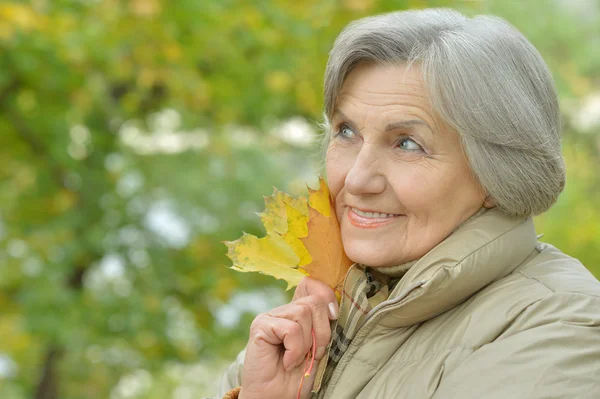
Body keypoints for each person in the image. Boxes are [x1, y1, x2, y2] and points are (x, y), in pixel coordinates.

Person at [210, 8, 600, 399]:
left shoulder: (561, 326)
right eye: (346, 132)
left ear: (496, 174)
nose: (357, 179)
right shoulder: (322, 314)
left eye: (407, 144)